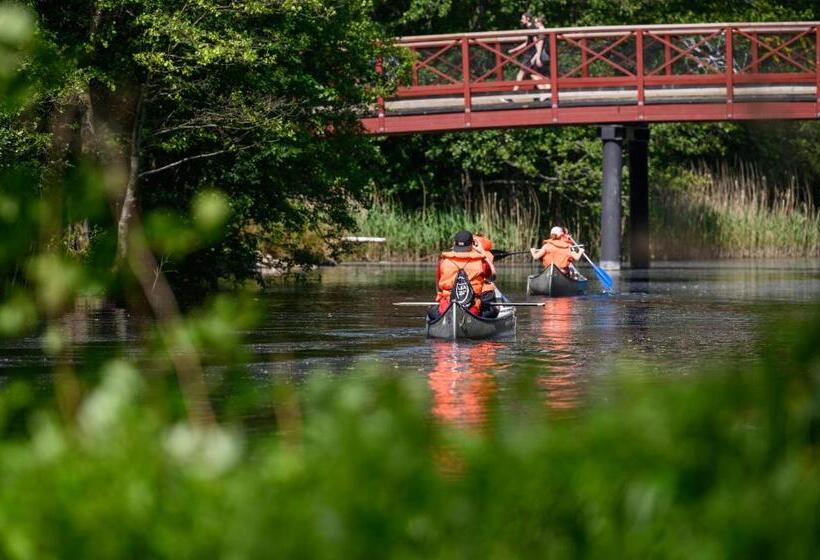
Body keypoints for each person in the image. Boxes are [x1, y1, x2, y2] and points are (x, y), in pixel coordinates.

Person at [430, 230, 497, 320]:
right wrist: (483, 254)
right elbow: (492, 278)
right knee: (493, 311)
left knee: (431, 311)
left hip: (447, 308)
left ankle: (447, 321)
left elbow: (438, 287)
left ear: (454, 244)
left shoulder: (443, 262)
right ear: (471, 245)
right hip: (472, 310)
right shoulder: (481, 262)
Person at [500, 13, 549, 103]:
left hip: (530, 55)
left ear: (528, 19)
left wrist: (537, 56)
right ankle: (544, 93)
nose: (521, 20)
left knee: (521, 74)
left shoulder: (532, 29)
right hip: (530, 54)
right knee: (533, 74)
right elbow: (527, 43)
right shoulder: (531, 28)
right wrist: (514, 50)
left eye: (523, 18)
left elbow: (537, 42)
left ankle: (511, 96)